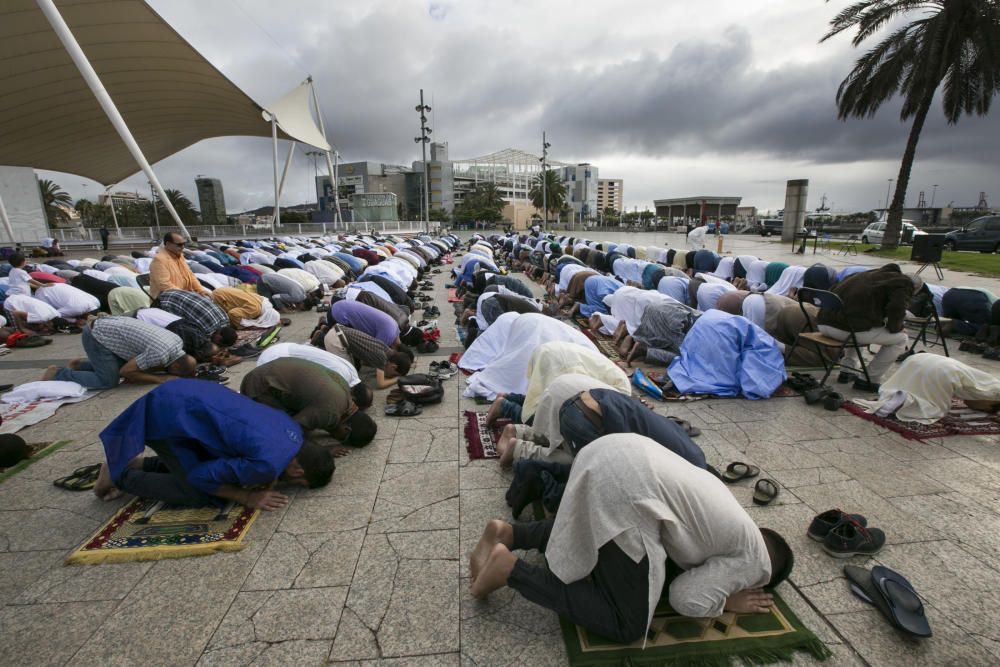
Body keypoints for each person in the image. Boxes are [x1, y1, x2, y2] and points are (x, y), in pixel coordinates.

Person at [469, 436, 793, 644]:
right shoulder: (755, 563)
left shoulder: (737, 521)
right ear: (760, 580)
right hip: (628, 489)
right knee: (627, 624)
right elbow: (685, 597)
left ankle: (510, 532)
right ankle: (511, 570)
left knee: (602, 526)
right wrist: (725, 602)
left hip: (609, 451)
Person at [94, 380, 334, 509]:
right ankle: (120, 475)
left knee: (219, 470)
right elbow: (200, 477)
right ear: (299, 470)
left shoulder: (293, 431)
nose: (290, 486)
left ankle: (141, 463)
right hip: (168, 415)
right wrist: (245, 497)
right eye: (298, 483)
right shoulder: (268, 465)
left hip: (190, 391)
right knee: (199, 492)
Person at [816, 265, 918, 390]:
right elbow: (897, 309)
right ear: (914, 288)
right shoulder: (903, 283)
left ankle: (847, 370)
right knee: (900, 339)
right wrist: (897, 327)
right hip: (845, 330)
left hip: (823, 324)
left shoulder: (862, 275)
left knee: (859, 323)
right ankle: (869, 379)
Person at [240, 358, 377, 445]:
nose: (336, 439)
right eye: (342, 439)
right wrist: (321, 449)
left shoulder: (346, 393)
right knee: (276, 435)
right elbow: (292, 430)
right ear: (346, 429)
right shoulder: (331, 413)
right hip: (260, 386)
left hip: (271, 371)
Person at [44, 316, 197, 389]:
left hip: (109, 325)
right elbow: (126, 371)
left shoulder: (177, 342)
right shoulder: (160, 354)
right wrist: (159, 379)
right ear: (175, 367)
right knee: (108, 381)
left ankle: (80, 366)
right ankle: (58, 373)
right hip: (97, 334)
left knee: (125, 369)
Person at [853, 353, 1000, 424]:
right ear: (992, 402)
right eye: (988, 408)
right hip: (941, 371)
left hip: (918, 359)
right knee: (934, 408)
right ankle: (904, 400)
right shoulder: (993, 390)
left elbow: (971, 401)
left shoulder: (982, 382)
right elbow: (974, 402)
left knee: (912, 384)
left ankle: (895, 396)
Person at [257, 342, 373, 408]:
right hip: (272, 360)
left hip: (284, 347)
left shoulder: (352, 372)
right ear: (353, 397)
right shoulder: (339, 380)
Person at [319, 323, 411, 389]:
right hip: (336, 341)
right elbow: (381, 384)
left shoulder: (385, 348)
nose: (390, 376)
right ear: (393, 366)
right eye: (393, 374)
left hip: (338, 331)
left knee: (353, 372)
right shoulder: (382, 357)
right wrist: (397, 379)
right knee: (349, 378)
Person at [148, 232, 209, 298]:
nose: (183, 247)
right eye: (179, 245)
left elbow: (190, 276)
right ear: (168, 244)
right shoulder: (159, 260)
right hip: (168, 299)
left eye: (184, 244)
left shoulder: (180, 256)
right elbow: (164, 285)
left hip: (184, 295)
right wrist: (186, 295)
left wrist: (200, 290)